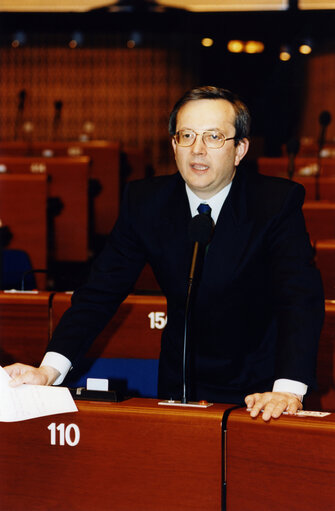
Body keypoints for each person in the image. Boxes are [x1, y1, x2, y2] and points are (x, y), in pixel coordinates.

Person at [5, 86, 324, 422]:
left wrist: (288, 388)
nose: (198, 150)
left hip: (260, 388)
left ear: (240, 149)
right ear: (174, 146)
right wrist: (48, 370)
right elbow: (99, 292)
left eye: (214, 137)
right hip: (179, 380)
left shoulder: (274, 203)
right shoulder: (146, 202)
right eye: (186, 136)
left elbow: (299, 299)